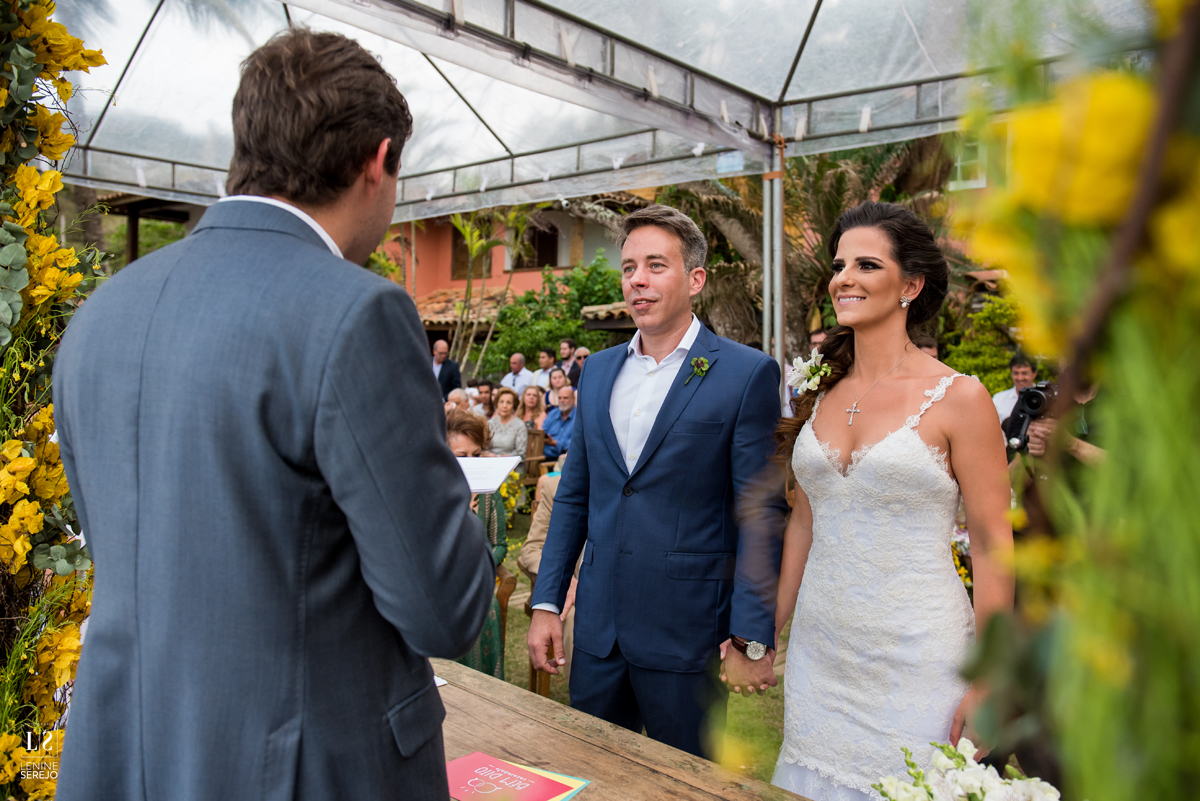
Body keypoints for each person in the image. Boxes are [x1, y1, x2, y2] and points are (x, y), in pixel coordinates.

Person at [50, 29, 495, 801]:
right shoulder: (356, 314)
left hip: (130, 755)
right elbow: (441, 608)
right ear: (378, 161)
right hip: (304, 765)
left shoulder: (100, 313)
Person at [770, 201, 1014, 800]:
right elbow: (804, 520)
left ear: (911, 284)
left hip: (920, 654)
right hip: (820, 651)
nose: (843, 277)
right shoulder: (820, 392)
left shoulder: (960, 397)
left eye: (866, 264)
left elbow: (991, 542)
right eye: (838, 264)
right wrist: (764, 628)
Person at [527, 204, 788, 759]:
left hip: (688, 633)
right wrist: (547, 603)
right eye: (628, 268)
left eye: (654, 266)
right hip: (598, 633)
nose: (637, 280)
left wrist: (748, 636)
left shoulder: (745, 374)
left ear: (695, 279)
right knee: (590, 777)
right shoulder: (596, 371)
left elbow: (760, 513)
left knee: (684, 787)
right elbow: (576, 495)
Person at [446, 410, 508, 679]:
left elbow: (500, 544)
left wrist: (481, 568)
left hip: (476, 585)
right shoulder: (430, 491)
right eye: (461, 457)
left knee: (485, 606)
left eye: (476, 455)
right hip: (439, 587)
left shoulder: (488, 491)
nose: (470, 463)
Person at [517, 474, 577, 680]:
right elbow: (533, 548)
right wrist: (563, 581)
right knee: (573, 615)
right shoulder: (556, 488)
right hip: (570, 592)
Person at [993, 352, 1037, 423]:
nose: (1020, 378)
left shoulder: (1045, 399)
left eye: (1024, 373)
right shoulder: (998, 399)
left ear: (1034, 374)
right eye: (1016, 373)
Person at [488, 387, 527, 458]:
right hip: (491, 462)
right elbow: (484, 448)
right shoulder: (490, 423)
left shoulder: (519, 425)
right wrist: (487, 454)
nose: (504, 406)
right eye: (501, 402)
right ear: (497, 404)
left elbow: (521, 453)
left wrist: (502, 457)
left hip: (512, 464)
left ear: (514, 406)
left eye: (508, 403)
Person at [541, 386, 576, 461]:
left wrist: (556, 443)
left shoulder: (579, 417)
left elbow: (576, 443)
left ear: (573, 399)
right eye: (559, 398)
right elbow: (543, 432)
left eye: (565, 398)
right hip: (545, 456)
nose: (562, 401)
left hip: (567, 458)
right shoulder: (552, 414)